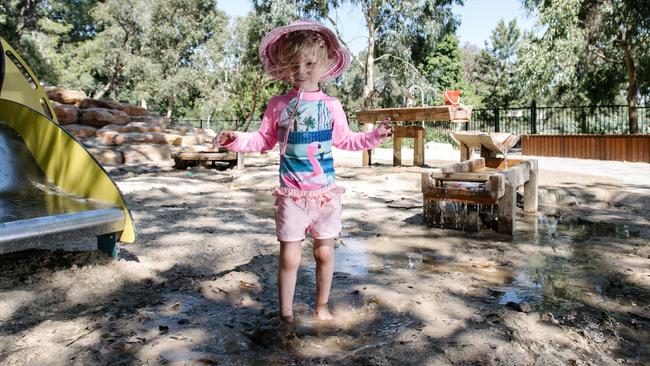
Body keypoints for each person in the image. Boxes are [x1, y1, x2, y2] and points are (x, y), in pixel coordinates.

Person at [213, 19, 393, 323]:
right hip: (291, 195)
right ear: (284, 67)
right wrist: (234, 140)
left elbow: (346, 140)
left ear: (324, 63)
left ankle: (321, 307)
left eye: (309, 63)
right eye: (294, 64)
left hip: (325, 194)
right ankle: (286, 313)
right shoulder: (278, 104)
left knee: (324, 253)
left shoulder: (332, 105)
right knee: (290, 256)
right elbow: (263, 140)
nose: (301, 70)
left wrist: (375, 136)